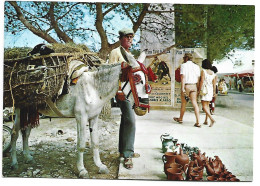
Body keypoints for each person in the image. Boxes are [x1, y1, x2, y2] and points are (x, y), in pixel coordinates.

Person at [108, 28, 139, 169]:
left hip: (130, 93)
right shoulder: (115, 52)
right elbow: (111, 74)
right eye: (127, 37)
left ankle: (123, 150)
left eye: (131, 37)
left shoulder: (130, 54)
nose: (130, 40)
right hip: (121, 93)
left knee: (125, 120)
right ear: (121, 39)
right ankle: (128, 155)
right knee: (131, 121)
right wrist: (118, 90)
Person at [173, 53, 201, 127]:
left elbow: (183, 77)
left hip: (187, 86)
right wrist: (198, 89)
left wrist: (182, 88)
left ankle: (181, 118)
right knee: (195, 103)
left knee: (184, 103)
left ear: (185, 58)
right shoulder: (197, 66)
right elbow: (198, 79)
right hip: (194, 86)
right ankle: (198, 122)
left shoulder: (183, 65)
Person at [199, 59, 216, 127]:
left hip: (204, 90)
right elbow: (214, 84)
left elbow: (202, 81)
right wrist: (214, 92)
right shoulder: (213, 73)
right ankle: (206, 120)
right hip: (210, 90)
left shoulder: (203, 71)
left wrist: (199, 90)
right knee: (207, 105)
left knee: (204, 106)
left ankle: (211, 119)